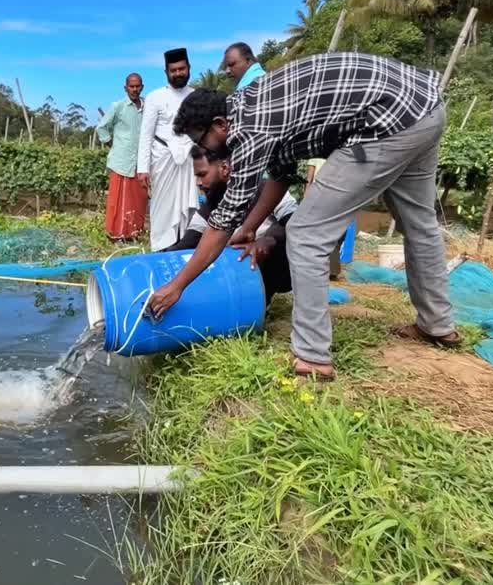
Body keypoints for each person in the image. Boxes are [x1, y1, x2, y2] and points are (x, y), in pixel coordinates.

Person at [148, 52, 459, 381]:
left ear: (220, 125)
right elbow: (280, 177)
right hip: (424, 106)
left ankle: (312, 356)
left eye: (202, 140)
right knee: (420, 224)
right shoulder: (249, 106)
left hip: (386, 120)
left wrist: (177, 286)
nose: (206, 150)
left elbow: (223, 221)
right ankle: (437, 324)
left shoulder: (248, 130)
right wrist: (250, 228)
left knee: (306, 232)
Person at [164, 145, 297, 299]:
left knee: (275, 244)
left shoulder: (267, 190)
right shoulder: (210, 206)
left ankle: (257, 302)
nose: (198, 183)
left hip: (278, 269)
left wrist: (269, 241)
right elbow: (187, 243)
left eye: (202, 174)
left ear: (225, 168)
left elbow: (295, 224)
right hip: (236, 273)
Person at [137, 48, 198, 252]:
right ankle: (161, 250)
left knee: (189, 207)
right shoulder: (155, 97)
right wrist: (142, 168)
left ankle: (184, 249)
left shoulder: (196, 96)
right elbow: (146, 135)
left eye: (182, 69)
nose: (178, 73)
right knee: (162, 209)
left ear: (188, 68)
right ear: (166, 72)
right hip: (163, 158)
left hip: (190, 160)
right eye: (173, 70)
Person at [96, 73, 147, 241]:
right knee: (120, 199)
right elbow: (102, 127)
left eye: (137, 86)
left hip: (140, 161)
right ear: (126, 88)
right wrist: (112, 144)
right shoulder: (118, 106)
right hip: (122, 160)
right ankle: (117, 234)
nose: (134, 89)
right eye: (131, 86)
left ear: (142, 87)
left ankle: (135, 232)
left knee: (138, 198)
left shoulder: (147, 106)